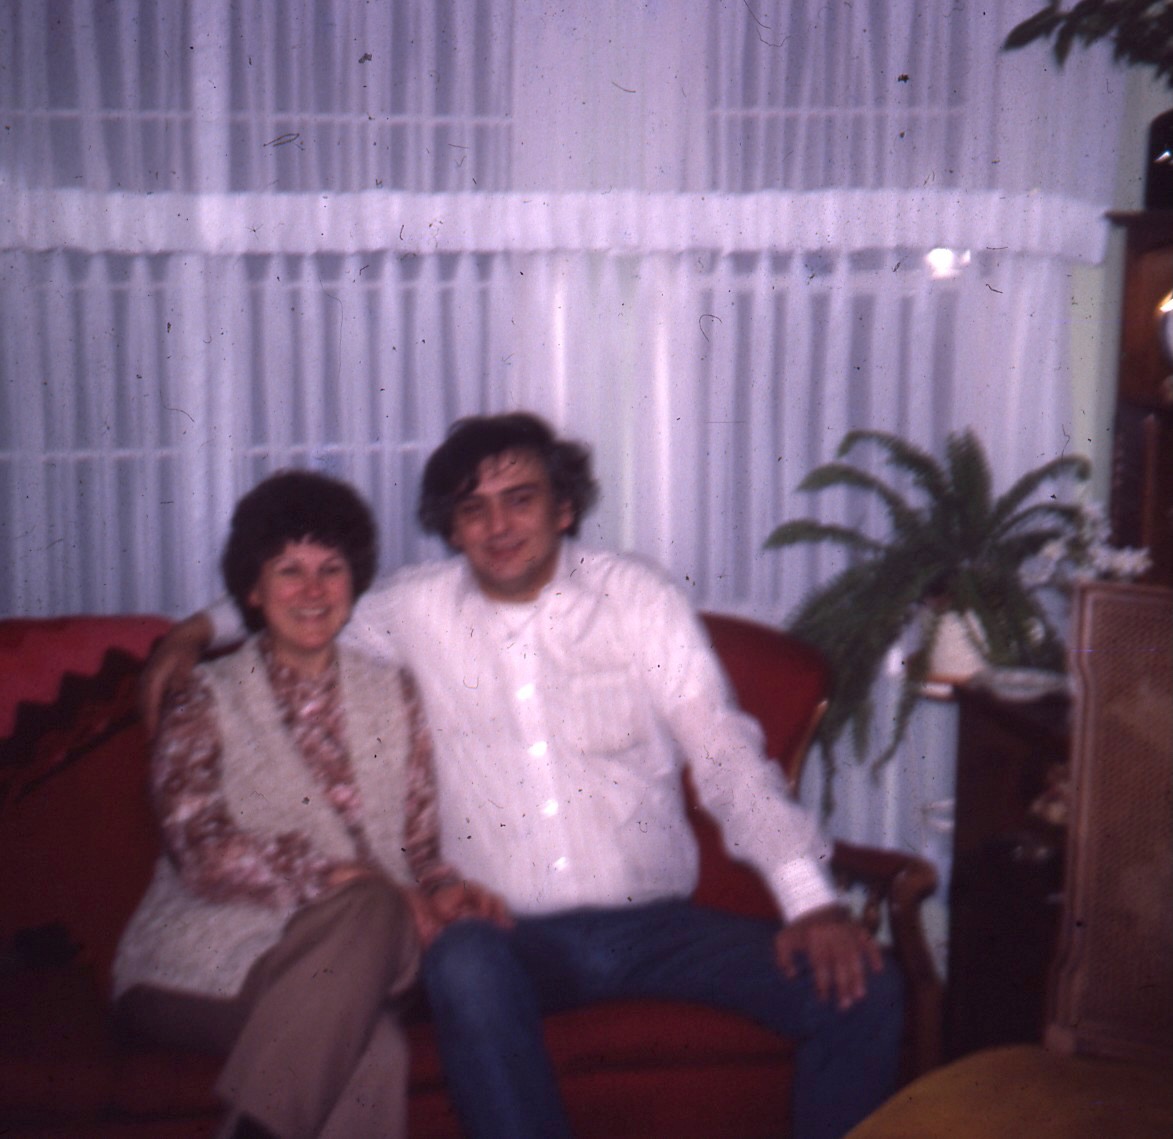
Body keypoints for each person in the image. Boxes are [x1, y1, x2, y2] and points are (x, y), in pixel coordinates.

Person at [142, 415, 903, 1139]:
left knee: (864, 990)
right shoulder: (412, 610)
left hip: (659, 929)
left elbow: (725, 754)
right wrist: (196, 631)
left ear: (564, 508)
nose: (498, 525)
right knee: (463, 964)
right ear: (451, 528)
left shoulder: (637, 598)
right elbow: (309, 598)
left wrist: (810, 901)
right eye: (473, 509)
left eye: (520, 499)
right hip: (509, 939)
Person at [115, 470, 506, 1139]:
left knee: (370, 935)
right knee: (374, 1046)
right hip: (210, 957)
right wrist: (344, 878)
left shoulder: (395, 692)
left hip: (361, 956)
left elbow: (418, 847)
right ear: (252, 590)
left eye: (331, 569)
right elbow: (202, 852)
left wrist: (446, 892)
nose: (313, 590)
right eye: (288, 571)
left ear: (353, 585)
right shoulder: (203, 697)